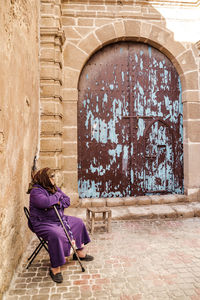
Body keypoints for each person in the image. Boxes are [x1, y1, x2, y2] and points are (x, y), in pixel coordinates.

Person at [27, 167, 93, 283]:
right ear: (44, 179)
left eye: (53, 176)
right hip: (42, 223)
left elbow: (67, 201)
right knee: (56, 234)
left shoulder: (53, 188)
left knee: (78, 222)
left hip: (58, 218)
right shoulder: (36, 191)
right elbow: (45, 203)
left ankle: (79, 252)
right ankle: (55, 268)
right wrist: (57, 197)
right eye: (51, 176)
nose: (53, 178)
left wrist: (56, 199)